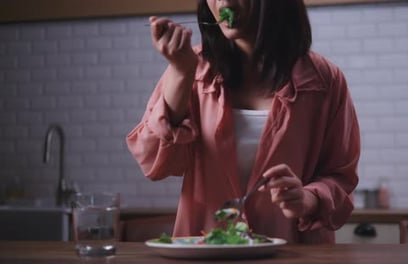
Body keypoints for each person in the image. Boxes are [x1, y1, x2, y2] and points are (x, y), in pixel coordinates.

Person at [126, 0, 360, 244]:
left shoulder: (325, 81)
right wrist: (181, 73)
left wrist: (307, 199)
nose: (225, 3)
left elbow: (340, 177)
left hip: (294, 252)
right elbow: (154, 163)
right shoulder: (190, 67)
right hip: (206, 254)